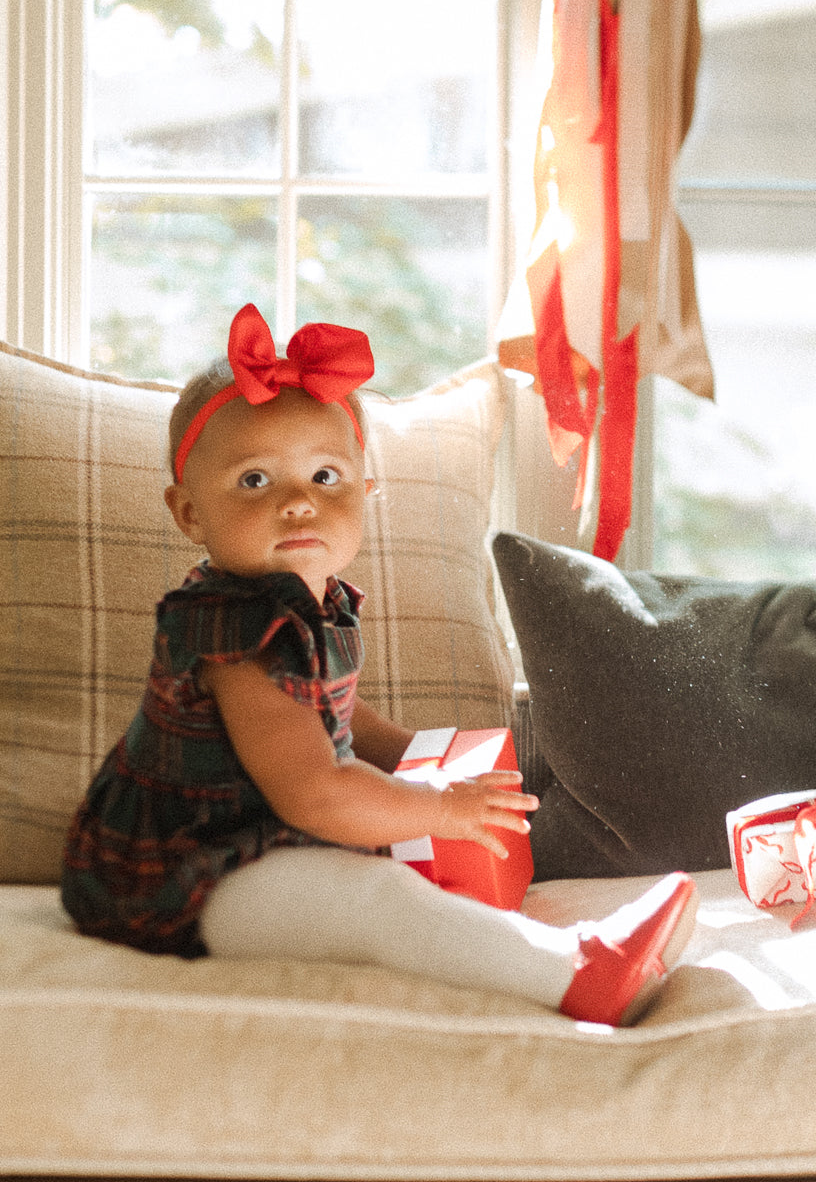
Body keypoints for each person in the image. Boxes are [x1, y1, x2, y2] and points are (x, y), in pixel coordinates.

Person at [61, 303, 698, 1027]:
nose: (299, 503)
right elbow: (315, 792)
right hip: (179, 877)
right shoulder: (235, 628)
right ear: (189, 514)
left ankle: (552, 949)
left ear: (365, 496)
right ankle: (581, 974)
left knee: (392, 874)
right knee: (372, 900)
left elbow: (337, 717)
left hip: (247, 837)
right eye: (255, 482)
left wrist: (425, 761)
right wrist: (440, 808)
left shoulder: (315, 602)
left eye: (325, 476)